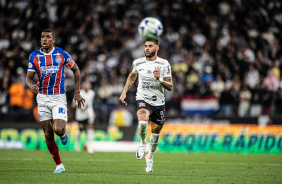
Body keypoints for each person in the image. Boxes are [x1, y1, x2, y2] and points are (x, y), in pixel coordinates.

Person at [26, 29, 85, 173]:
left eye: (48, 37)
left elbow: (76, 70)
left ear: (54, 40)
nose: (44, 39)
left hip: (58, 97)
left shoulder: (61, 54)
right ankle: (59, 165)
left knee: (58, 129)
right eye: (42, 37)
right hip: (42, 98)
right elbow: (28, 78)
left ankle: (63, 133)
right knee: (47, 133)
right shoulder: (34, 56)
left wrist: (77, 92)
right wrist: (31, 85)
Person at [119, 38, 173, 172]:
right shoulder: (138, 62)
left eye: (150, 46)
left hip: (159, 102)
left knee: (155, 134)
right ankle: (143, 142)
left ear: (157, 48)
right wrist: (124, 92)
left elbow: (170, 86)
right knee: (142, 122)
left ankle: (150, 157)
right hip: (143, 98)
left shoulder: (164, 64)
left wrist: (159, 79)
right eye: (145, 46)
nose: (147, 48)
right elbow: (132, 76)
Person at [71, 81, 95, 152]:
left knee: (90, 128)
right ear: (82, 86)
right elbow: (73, 105)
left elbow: (91, 104)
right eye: (85, 85)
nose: (87, 87)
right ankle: (77, 145)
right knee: (80, 130)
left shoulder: (92, 93)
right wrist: (83, 106)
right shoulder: (78, 94)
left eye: (88, 85)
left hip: (89, 114)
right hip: (80, 115)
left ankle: (90, 146)